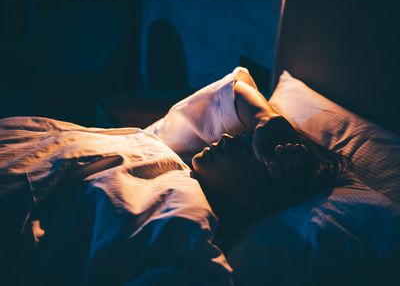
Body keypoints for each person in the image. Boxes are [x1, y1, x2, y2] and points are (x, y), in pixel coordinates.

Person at [0, 67, 346, 285]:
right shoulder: (171, 152)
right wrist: (266, 122)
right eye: (241, 137)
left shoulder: (183, 217)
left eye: (244, 150)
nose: (227, 137)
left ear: (254, 195)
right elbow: (230, 92)